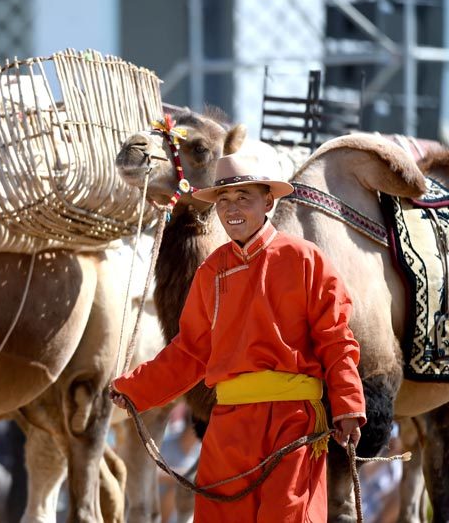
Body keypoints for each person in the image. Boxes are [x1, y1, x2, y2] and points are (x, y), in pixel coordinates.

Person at [110, 153, 366, 522]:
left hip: (292, 422)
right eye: (224, 201)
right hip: (228, 425)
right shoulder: (210, 271)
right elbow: (190, 351)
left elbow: (335, 339)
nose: (232, 209)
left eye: (243, 198)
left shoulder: (306, 259)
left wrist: (348, 405)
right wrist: (135, 388)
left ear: (268, 202)